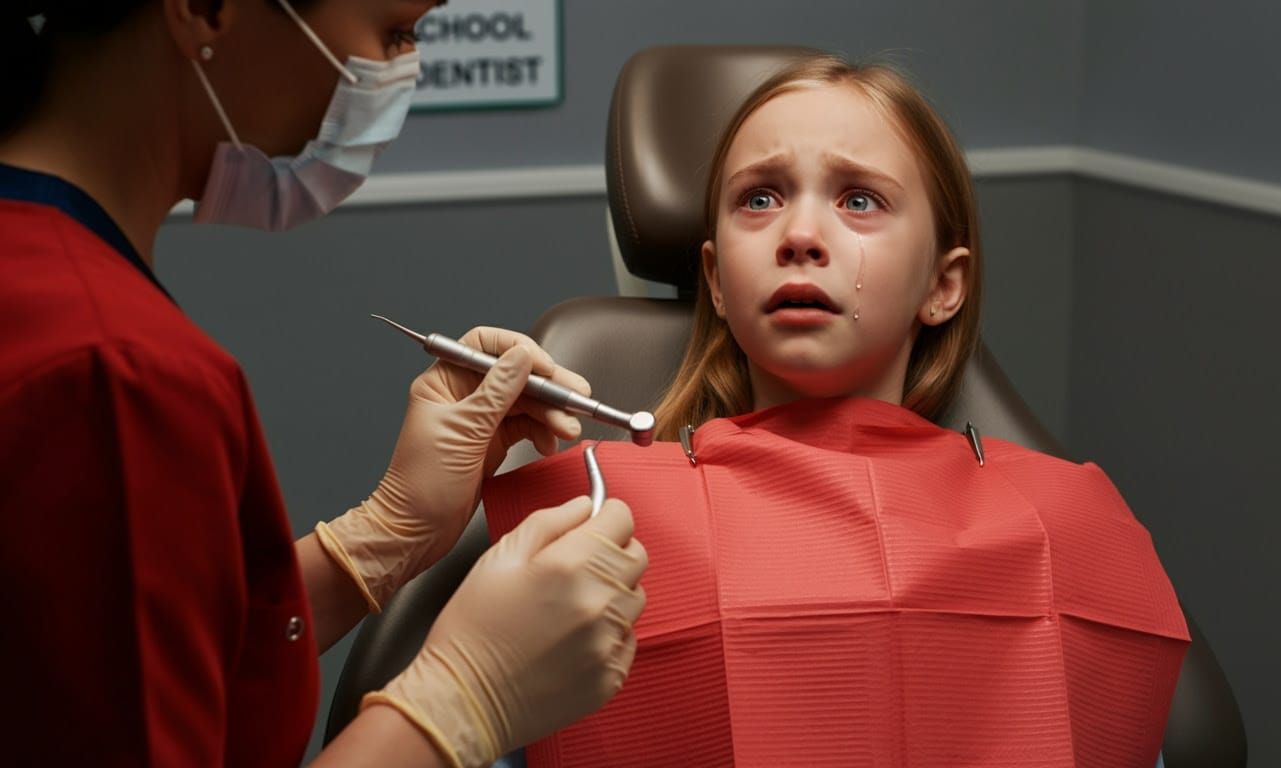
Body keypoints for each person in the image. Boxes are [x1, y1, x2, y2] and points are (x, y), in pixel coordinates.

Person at [480, 54, 1188, 766]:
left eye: (859, 200)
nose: (799, 235)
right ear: (716, 280)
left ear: (944, 284)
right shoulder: (597, 531)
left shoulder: (1065, 532)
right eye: (759, 199)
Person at [0, 2, 646, 767]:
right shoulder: (114, 371)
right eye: (395, 32)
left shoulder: (47, 288)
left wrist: (383, 535)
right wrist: (465, 699)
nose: (402, 70)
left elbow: (118, 662)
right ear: (206, 10)